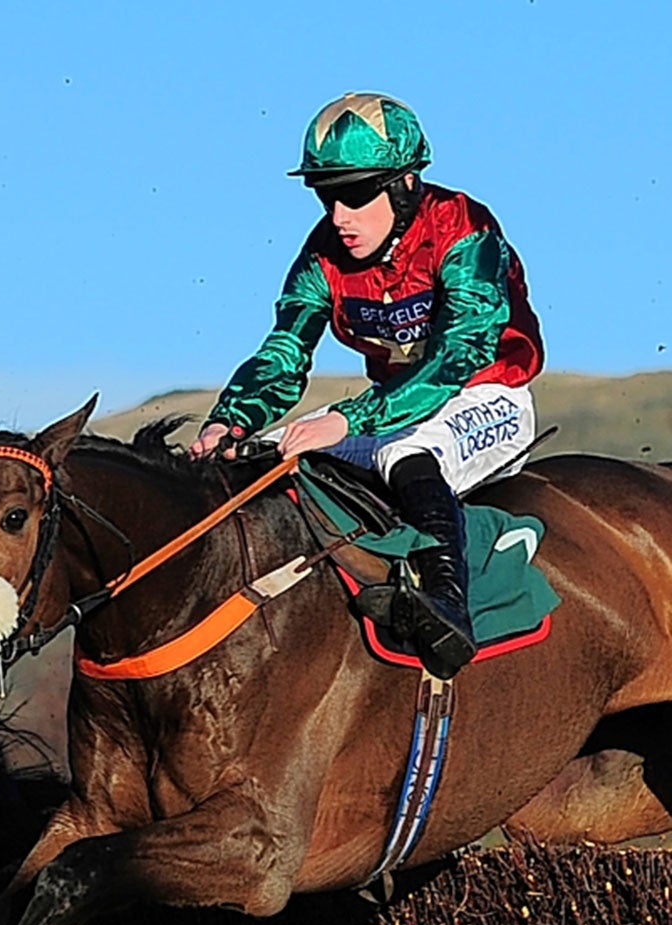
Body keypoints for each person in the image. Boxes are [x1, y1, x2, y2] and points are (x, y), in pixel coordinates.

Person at [188, 93, 543, 679]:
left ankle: (447, 608)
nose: (338, 215)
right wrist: (231, 420)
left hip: (488, 394)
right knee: (270, 455)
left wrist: (350, 419)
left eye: (355, 194)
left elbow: (461, 355)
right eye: (327, 195)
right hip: (391, 408)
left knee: (406, 451)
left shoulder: (463, 228)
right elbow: (286, 350)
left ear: (405, 186)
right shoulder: (323, 255)